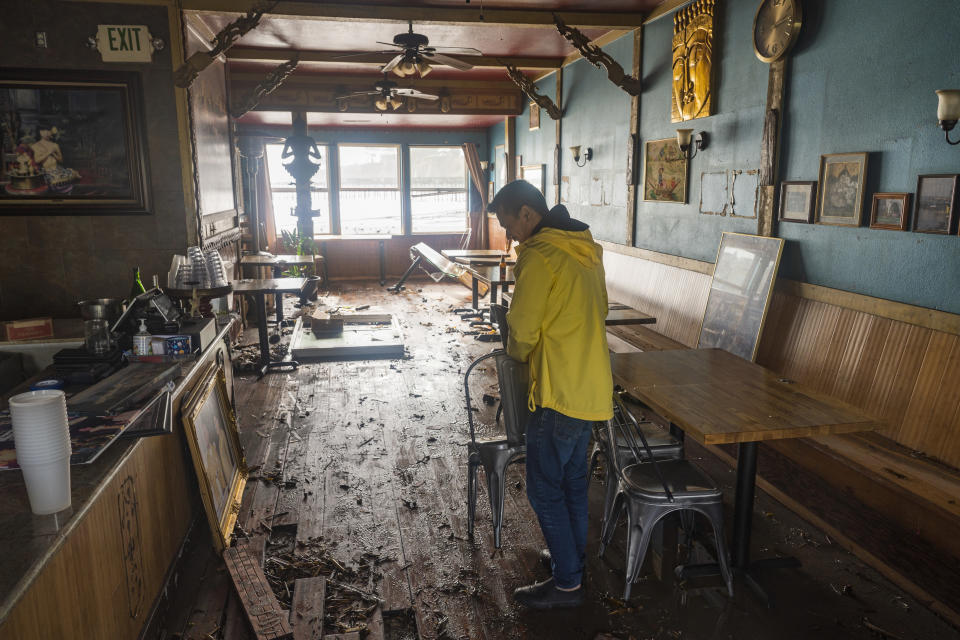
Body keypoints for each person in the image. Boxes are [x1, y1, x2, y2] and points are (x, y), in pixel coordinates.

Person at [487, 180, 613, 609]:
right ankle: (569, 563)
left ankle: (567, 586)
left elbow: (521, 333)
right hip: (591, 388)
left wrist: (516, 350)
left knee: (544, 490)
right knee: (573, 483)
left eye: (509, 225)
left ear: (527, 214)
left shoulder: (540, 257)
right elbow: (603, 309)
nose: (510, 235)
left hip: (558, 392)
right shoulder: (585, 250)